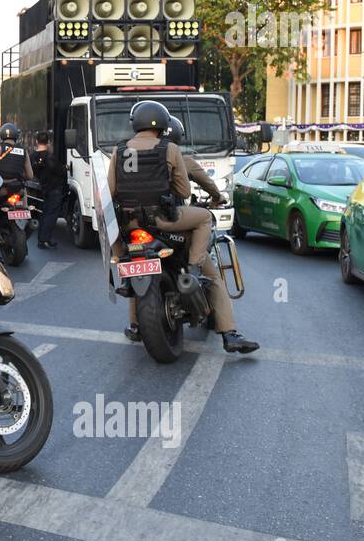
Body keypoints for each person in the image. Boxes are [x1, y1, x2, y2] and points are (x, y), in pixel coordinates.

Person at [108, 101, 258, 354]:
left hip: (131, 224)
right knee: (205, 228)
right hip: (164, 221)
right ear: (165, 126)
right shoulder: (171, 149)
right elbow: (184, 191)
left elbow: (110, 191)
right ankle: (227, 330)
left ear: (135, 122)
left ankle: (135, 326)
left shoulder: (119, 150)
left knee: (134, 267)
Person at [166, 117, 224, 206]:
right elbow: (207, 183)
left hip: (138, 214)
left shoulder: (136, 153)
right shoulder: (184, 161)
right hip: (169, 212)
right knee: (206, 216)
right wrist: (217, 197)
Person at [31, 130, 66, 248]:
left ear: (36, 142)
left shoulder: (33, 156)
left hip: (43, 188)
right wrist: (65, 167)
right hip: (54, 189)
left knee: (44, 214)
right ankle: (44, 239)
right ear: (49, 142)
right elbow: (59, 170)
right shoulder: (50, 157)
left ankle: (43, 238)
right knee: (51, 215)